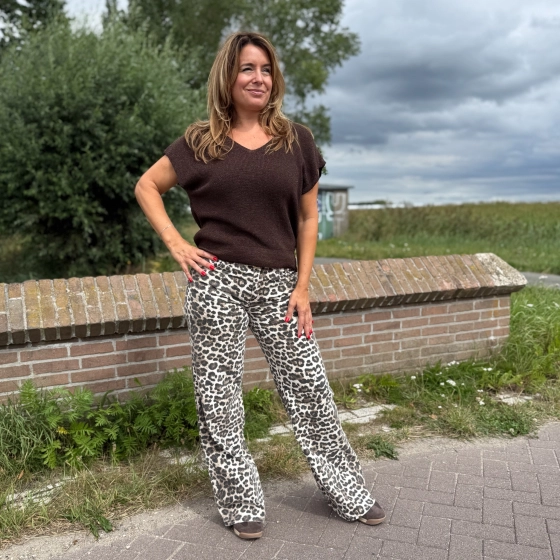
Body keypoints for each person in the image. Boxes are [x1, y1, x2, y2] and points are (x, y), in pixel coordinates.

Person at [134, 31, 384, 540]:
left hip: (280, 284)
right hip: (216, 281)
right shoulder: (200, 141)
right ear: (228, 76)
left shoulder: (297, 141)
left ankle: (348, 493)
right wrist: (177, 244)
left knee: (310, 388)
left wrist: (303, 285)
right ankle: (240, 501)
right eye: (247, 68)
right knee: (219, 397)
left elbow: (308, 219)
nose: (259, 78)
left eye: (266, 69)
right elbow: (147, 185)